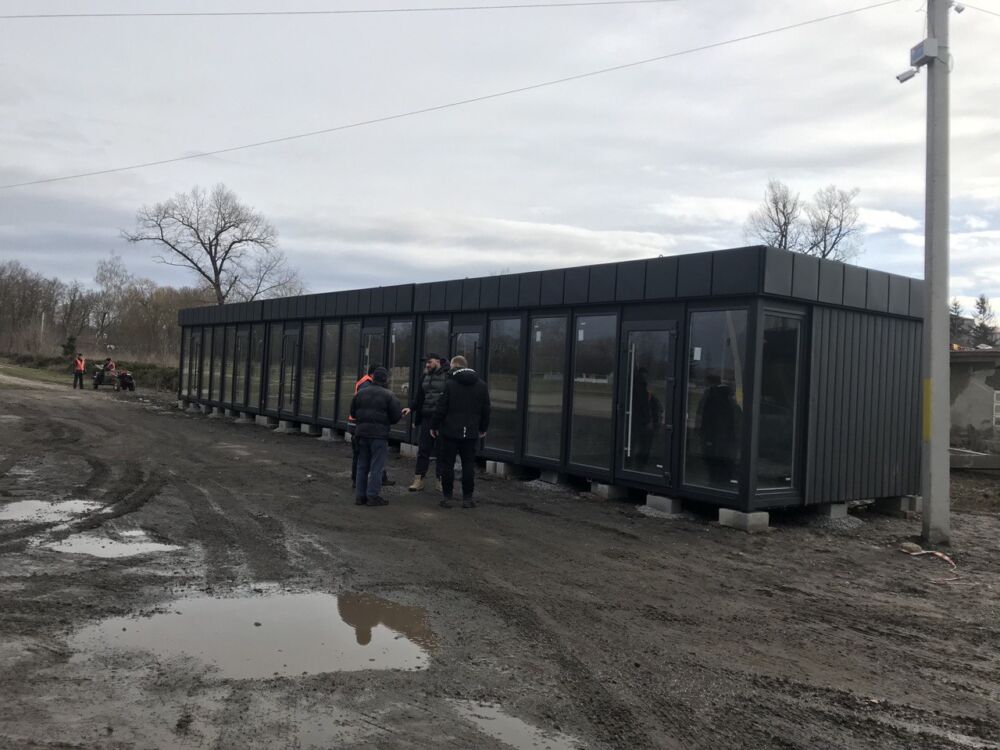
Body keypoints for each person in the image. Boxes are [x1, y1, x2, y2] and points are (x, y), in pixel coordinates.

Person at [431, 355, 490, 509]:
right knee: (468, 464)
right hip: (471, 431)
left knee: (448, 464)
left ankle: (447, 497)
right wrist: (483, 428)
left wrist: (434, 426)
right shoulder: (482, 385)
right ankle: (467, 498)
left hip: (450, 430)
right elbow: (486, 409)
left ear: (454, 366)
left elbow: (441, 408)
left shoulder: (450, 384)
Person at [349, 367, 402, 507]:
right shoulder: (389, 395)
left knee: (362, 465)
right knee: (376, 466)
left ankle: (360, 496)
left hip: (361, 434)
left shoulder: (360, 393)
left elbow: (353, 413)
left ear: (373, 378)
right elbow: (395, 417)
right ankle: (372, 496)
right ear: (385, 379)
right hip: (379, 435)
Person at [402, 353, 449, 492]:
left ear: (438, 361)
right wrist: (411, 408)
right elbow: (419, 397)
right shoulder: (425, 376)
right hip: (427, 417)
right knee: (423, 449)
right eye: (426, 363)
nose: (427, 365)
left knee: (442, 450)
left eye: (429, 362)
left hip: (442, 419)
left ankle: (441, 480)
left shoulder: (448, 376)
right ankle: (419, 479)